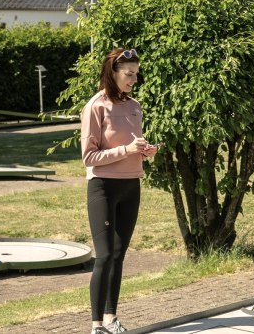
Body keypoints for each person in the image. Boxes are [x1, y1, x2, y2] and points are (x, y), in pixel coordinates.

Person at [81, 47, 157, 334]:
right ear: (112, 73)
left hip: (131, 186)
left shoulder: (134, 106)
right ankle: (96, 325)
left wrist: (145, 152)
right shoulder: (95, 107)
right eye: (129, 74)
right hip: (103, 188)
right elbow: (89, 157)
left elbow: (131, 146)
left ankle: (112, 319)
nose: (134, 79)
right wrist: (126, 150)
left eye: (136, 73)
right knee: (103, 255)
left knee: (119, 254)